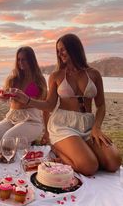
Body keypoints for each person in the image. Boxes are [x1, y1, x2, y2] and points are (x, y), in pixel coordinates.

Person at [13, 34, 122, 176]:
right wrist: (27, 99)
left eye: (63, 49)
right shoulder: (56, 76)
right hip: (63, 125)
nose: (60, 54)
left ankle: (81, 149)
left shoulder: (94, 74)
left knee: (114, 162)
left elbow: (101, 106)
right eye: (58, 51)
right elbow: (49, 105)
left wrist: (96, 128)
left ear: (74, 48)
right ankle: (58, 150)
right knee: (89, 167)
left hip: (88, 125)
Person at [0, 46, 48, 145]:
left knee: (7, 140)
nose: (20, 62)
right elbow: (6, 97)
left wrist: (47, 132)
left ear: (31, 60)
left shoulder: (39, 80)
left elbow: (46, 107)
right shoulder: (13, 79)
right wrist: (2, 97)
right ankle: (25, 142)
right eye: (19, 59)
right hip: (12, 117)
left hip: (31, 120)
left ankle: (26, 143)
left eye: (24, 60)